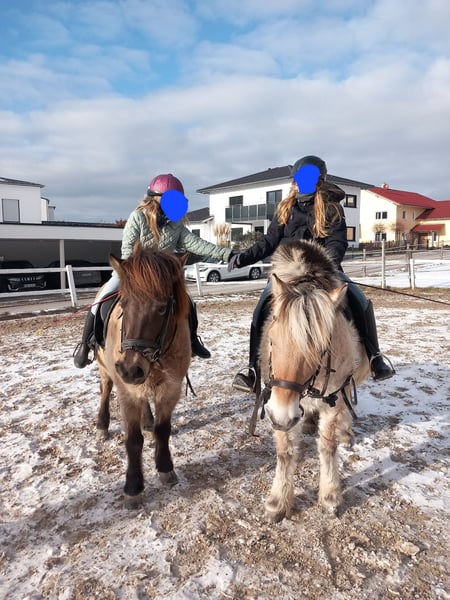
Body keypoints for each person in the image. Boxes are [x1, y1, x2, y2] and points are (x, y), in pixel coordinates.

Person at [229, 155, 395, 393]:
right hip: (288, 273)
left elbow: (337, 242)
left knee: (360, 300)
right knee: (260, 309)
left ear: (319, 181)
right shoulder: (284, 208)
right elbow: (269, 241)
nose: (298, 184)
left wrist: (323, 266)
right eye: (296, 180)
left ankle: (375, 357)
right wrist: (242, 257)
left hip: (322, 271)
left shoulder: (332, 209)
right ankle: (252, 370)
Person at [73, 173, 233, 368]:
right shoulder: (138, 217)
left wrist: (227, 254)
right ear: (155, 198)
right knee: (102, 298)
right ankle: (85, 344)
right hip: (133, 274)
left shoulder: (176, 226)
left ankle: (193, 340)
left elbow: (197, 244)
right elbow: (127, 250)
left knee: (189, 303)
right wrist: (139, 272)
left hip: (161, 278)